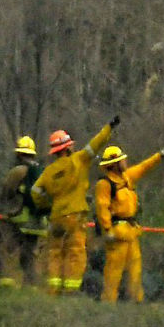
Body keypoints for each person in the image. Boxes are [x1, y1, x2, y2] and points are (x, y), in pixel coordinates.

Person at [30, 117, 117, 296]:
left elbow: (35, 191)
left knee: (55, 253)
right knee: (75, 253)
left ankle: (53, 291)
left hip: (56, 218)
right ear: (68, 147)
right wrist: (109, 128)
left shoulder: (49, 171)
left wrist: (48, 205)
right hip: (75, 217)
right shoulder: (79, 160)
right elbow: (95, 144)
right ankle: (71, 291)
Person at [95, 144, 164, 303]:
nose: (125, 162)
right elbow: (102, 208)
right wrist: (107, 230)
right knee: (113, 271)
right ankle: (108, 301)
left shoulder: (127, 177)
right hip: (117, 233)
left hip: (131, 231)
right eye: (122, 160)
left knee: (135, 269)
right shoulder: (105, 184)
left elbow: (143, 167)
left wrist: (159, 156)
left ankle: (136, 300)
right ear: (114, 164)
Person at [0, 136, 45, 288]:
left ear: (19, 154)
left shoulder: (17, 171)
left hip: (19, 219)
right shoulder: (41, 171)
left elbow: (7, 192)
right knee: (29, 254)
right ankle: (31, 286)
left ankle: (5, 282)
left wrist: (5, 206)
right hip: (37, 222)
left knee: (1, 248)